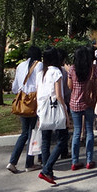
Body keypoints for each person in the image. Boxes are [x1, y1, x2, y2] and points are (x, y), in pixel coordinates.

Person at [7, 46, 43, 174]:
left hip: (22, 103)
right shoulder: (39, 65)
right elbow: (40, 85)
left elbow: (15, 87)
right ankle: (29, 163)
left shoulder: (20, 66)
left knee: (24, 133)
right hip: (34, 103)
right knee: (32, 133)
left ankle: (12, 161)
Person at [36, 48, 69, 185]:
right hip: (55, 108)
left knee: (45, 141)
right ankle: (46, 169)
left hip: (42, 108)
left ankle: (48, 170)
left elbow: (39, 93)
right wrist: (66, 113)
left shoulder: (41, 73)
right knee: (63, 139)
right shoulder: (56, 72)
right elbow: (59, 95)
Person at [67, 46, 97, 171]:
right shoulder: (92, 69)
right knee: (89, 131)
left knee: (77, 132)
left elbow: (70, 87)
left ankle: (75, 161)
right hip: (89, 103)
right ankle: (89, 160)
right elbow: (96, 85)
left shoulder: (72, 69)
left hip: (75, 103)